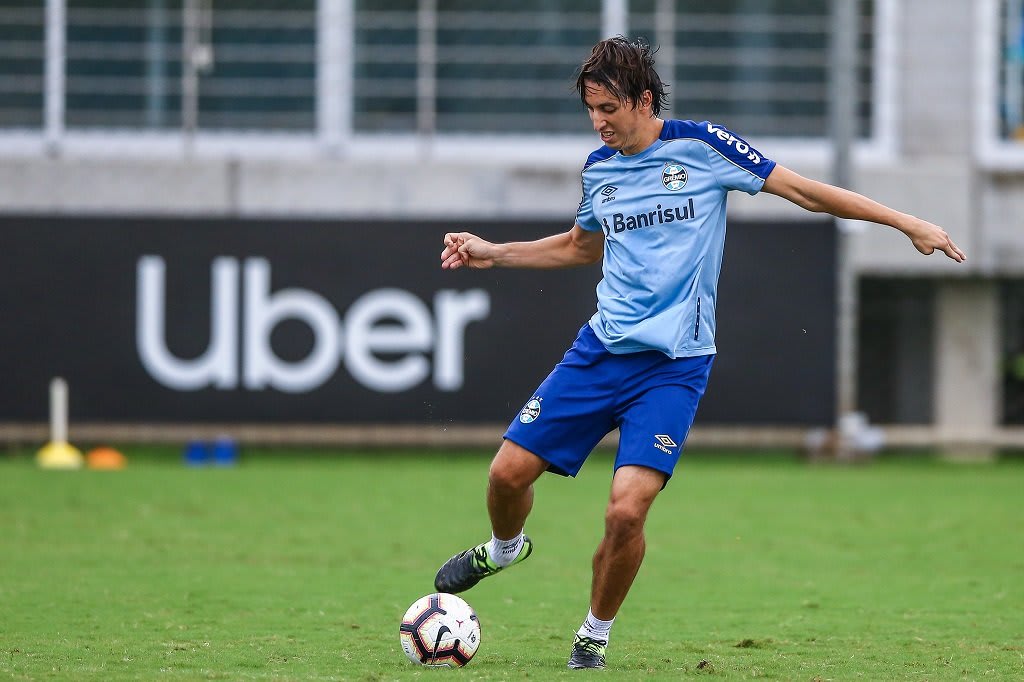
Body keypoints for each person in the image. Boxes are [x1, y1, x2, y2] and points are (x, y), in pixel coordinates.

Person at [433, 36, 965, 670]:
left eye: (608, 108)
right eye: (591, 110)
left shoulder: (705, 148)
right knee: (504, 476)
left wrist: (908, 223)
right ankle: (504, 548)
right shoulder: (599, 170)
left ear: (644, 100)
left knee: (626, 510)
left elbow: (806, 192)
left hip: (674, 367)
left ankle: (593, 636)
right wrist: (494, 251)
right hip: (599, 353)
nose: (599, 122)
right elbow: (581, 246)